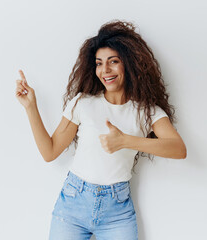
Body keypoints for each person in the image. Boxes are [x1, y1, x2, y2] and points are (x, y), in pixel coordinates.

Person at [15, 20, 187, 240]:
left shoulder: (147, 111)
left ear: (129, 64)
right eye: (99, 63)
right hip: (72, 205)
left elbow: (178, 149)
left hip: (117, 212)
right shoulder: (82, 103)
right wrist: (31, 107)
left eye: (113, 61)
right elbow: (50, 152)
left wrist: (125, 140)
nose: (105, 70)